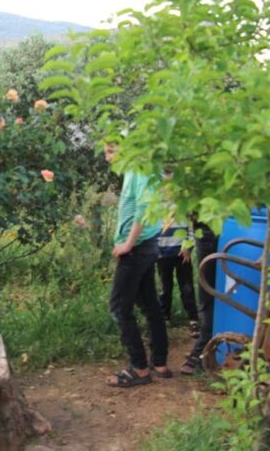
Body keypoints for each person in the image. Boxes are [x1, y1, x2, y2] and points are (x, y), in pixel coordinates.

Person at [104, 142, 170, 387]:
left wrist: (128, 244)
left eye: (111, 151)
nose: (108, 158)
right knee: (149, 304)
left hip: (139, 247)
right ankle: (160, 362)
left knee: (120, 307)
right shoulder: (141, 169)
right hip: (147, 244)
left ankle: (139, 368)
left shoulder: (140, 169)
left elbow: (143, 208)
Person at [180, 222, 219, 374]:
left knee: (208, 294)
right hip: (207, 228)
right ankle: (206, 343)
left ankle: (203, 349)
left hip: (212, 228)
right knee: (208, 292)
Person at [157, 221, 200, 338]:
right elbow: (151, 230)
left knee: (187, 287)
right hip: (163, 254)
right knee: (165, 288)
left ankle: (193, 320)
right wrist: (156, 250)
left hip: (182, 254)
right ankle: (164, 319)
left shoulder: (183, 206)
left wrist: (188, 247)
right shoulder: (156, 206)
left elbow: (191, 229)